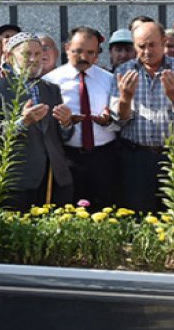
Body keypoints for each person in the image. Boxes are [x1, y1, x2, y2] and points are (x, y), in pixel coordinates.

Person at [111, 21, 174, 213]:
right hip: (136, 157)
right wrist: (125, 99)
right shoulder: (123, 72)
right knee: (138, 215)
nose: (147, 51)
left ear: (164, 42)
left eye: (152, 45)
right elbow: (118, 121)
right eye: (141, 46)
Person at [0, 32, 74, 210]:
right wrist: (23, 122)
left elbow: (60, 135)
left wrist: (66, 123)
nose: (33, 59)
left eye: (38, 54)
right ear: (9, 57)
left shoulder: (51, 89)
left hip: (53, 174)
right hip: (18, 177)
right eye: (26, 54)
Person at [43, 26, 119, 209]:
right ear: (67, 48)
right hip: (68, 156)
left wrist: (109, 120)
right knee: (68, 209)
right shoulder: (51, 81)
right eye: (77, 51)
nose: (83, 57)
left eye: (90, 52)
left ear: (97, 54)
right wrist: (64, 121)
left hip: (104, 155)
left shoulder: (109, 80)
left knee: (106, 209)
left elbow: (121, 117)